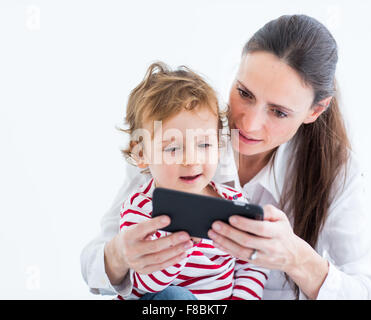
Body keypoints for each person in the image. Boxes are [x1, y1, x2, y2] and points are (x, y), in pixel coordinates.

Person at [81, 14, 371, 300]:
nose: (247, 125)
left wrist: (295, 257)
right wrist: (121, 255)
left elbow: (368, 293)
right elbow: (94, 264)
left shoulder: (338, 171)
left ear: (314, 111)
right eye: (245, 93)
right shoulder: (176, 135)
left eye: (278, 112)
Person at [114, 62, 268, 300]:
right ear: (142, 154)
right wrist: (182, 245)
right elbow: (146, 284)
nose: (191, 159)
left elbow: (253, 263)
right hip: (160, 299)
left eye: (205, 145)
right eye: (173, 148)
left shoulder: (232, 203)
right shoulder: (141, 212)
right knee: (175, 297)